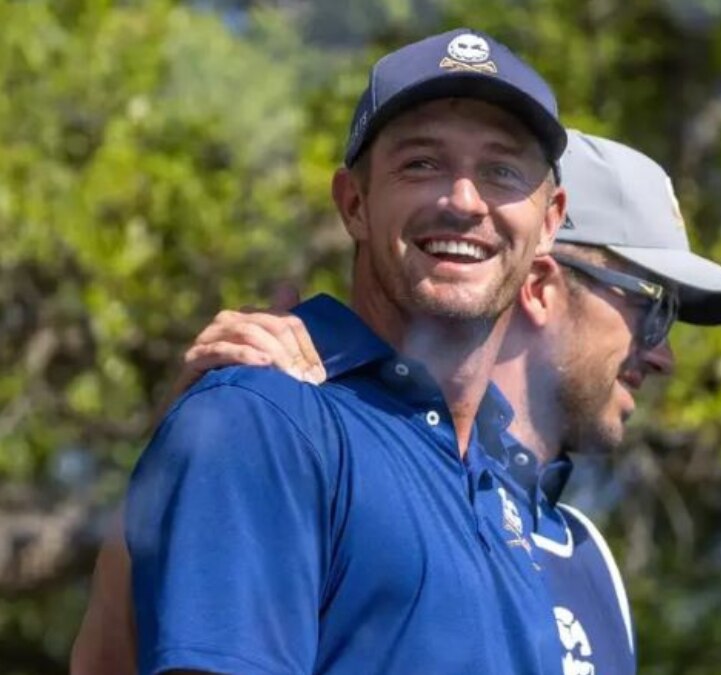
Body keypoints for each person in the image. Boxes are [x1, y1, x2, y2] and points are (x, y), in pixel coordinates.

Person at [73, 131, 721, 674]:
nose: (663, 354)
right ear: (541, 282)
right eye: (651, 310)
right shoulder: (299, 429)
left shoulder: (590, 561)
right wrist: (179, 454)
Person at [112, 27, 571, 674]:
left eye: (500, 171)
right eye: (422, 164)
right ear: (354, 203)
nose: (464, 201)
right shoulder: (265, 416)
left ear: (549, 220)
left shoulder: (502, 482)